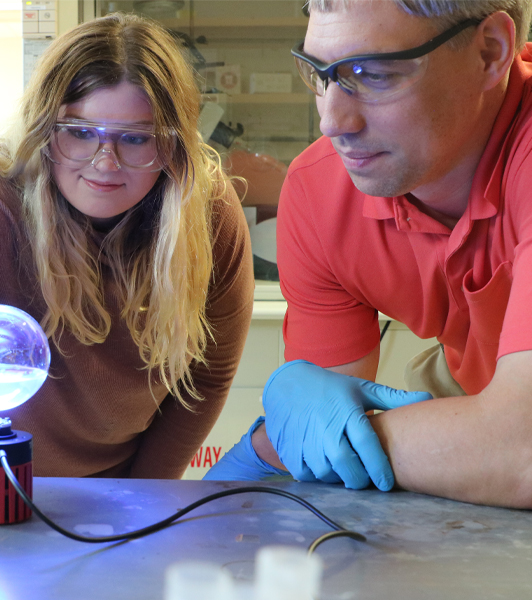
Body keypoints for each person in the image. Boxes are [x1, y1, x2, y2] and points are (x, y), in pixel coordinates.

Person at [0, 12, 254, 479]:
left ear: (174, 147)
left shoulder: (204, 212)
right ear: (44, 129)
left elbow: (206, 378)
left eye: (135, 138)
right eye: (80, 132)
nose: (105, 163)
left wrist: (144, 495)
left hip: (120, 460)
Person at [206, 0, 532, 509]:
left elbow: (522, 452)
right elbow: (317, 421)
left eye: (373, 74)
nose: (332, 122)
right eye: (319, 74)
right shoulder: (321, 193)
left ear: (490, 52)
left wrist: (344, 441)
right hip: (483, 389)